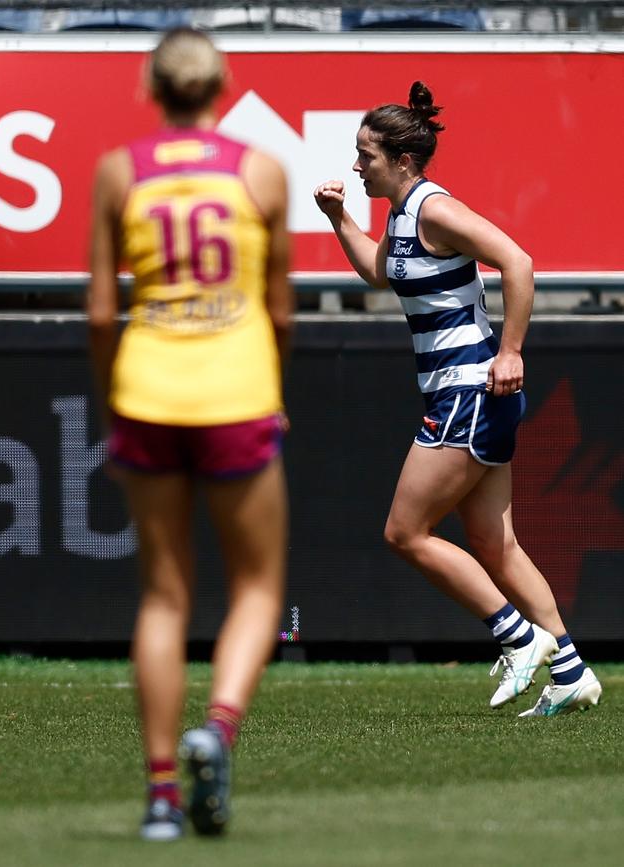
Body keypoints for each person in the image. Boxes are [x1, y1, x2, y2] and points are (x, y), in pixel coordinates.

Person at [314, 81, 602, 719]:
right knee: (495, 544)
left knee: (404, 532)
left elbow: (518, 263)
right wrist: (339, 220)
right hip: (472, 396)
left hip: (469, 391)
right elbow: (378, 271)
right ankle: (572, 670)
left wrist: (512, 351)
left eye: (367, 156)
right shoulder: (403, 212)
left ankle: (518, 637)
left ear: (403, 162)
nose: (357, 165)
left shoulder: (433, 208)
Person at [87, 27, 293, 841]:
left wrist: (112, 397)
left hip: (148, 388)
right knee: (256, 587)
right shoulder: (262, 170)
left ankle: (162, 795)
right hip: (237, 389)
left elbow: (103, 311)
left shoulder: (116, 170)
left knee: (163, 594)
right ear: (221, 85)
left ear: (151, 88)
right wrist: (275, 385)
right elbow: (280, 309)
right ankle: (221, 727)